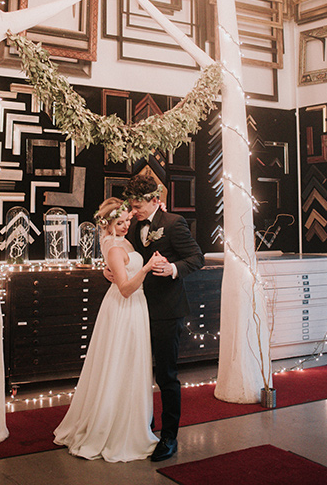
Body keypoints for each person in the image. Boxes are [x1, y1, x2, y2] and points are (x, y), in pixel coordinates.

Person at [53, 197, 161, 462]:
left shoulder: (121, 241)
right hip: (125, 307)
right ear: (109, 223)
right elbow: (124, 289)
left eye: (127, 220)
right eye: (120, 222)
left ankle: (130, 415)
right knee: (119, 363)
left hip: (135, 306)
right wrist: (146, 268)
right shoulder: (113, 247)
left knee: (128, 363)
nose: (126, 226)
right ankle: (112, 424)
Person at [113, 174, 204, 462]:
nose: (134, 210)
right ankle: (143, 427)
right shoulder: (135, 226)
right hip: (137, 308)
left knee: (166, 375)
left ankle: (169, 436)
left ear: (154, 200)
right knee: (138, 371)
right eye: (132, 204)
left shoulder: (174, 223)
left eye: (138, 204)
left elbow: (196, 258)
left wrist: (174, 269)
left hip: (167, 311)